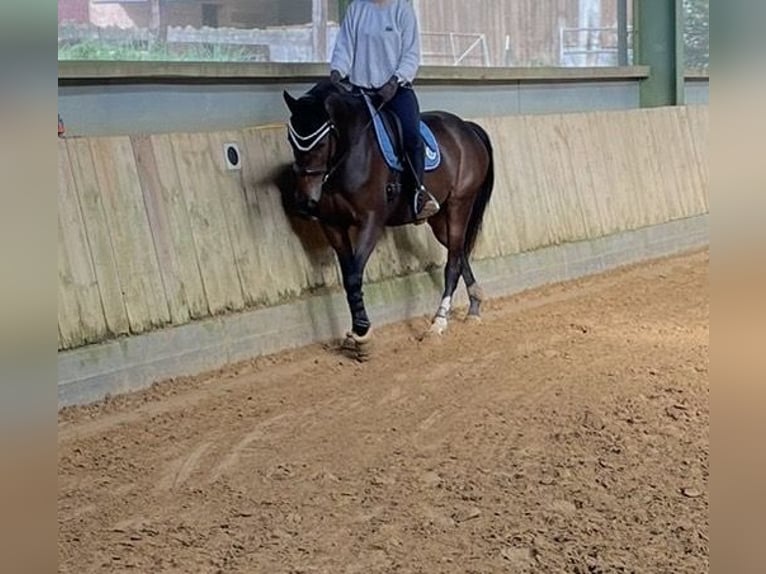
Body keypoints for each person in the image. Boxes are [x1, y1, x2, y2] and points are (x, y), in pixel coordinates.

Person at [329, 0, 440, 220]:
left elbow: (411, 54)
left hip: (394, 90)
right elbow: (344, 46)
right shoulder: (356, 9)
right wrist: (336, 71)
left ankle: (418, 192)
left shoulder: (402, 9)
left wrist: (395, 81)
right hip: (361, 90)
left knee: (410, 135)